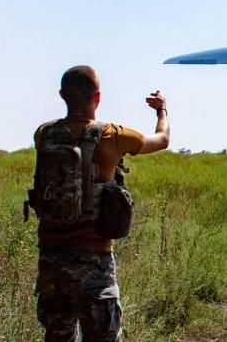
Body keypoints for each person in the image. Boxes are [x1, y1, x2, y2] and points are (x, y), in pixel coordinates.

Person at [33, 65, 170, 342]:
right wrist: (162, 110)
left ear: (62, 95)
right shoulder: (113, 136)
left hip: (51, 263)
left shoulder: (43, 135)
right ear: (98, 98)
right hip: (94, 265)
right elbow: (162, 139)